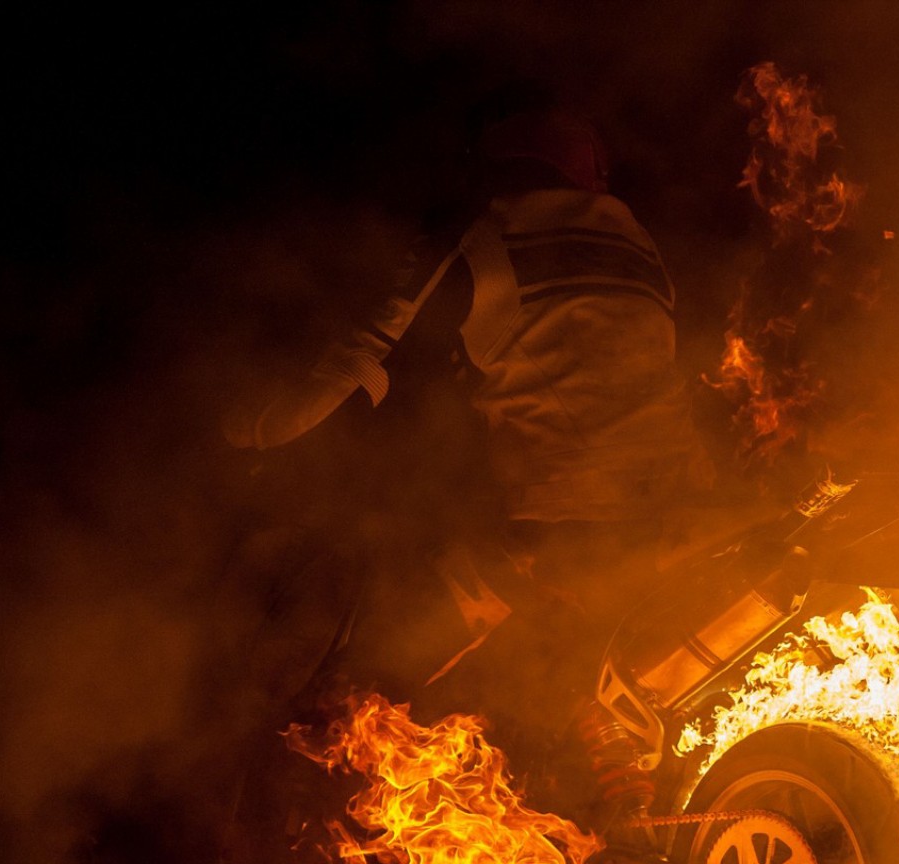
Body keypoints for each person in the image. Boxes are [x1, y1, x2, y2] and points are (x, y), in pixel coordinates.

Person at [223, 108, 709, 796]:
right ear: (587, 171)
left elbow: (355, 358)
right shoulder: (639, 244)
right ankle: (578, 742)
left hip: (553, 525)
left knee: (370, 682)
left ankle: (337, 820)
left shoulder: (480, 233)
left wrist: (247, 434)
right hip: (675, 511)